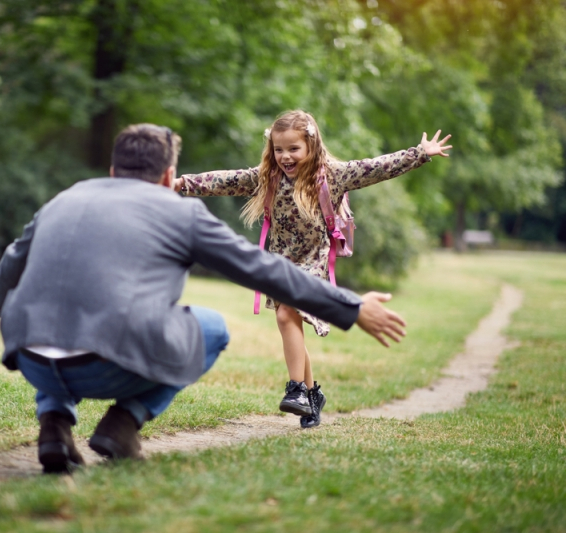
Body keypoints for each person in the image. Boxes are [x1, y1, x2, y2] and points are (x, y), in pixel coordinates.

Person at [0, 123, 408, 474]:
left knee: (64, 309)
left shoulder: (66, 197)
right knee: (212, 328)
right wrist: (350, 306)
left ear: (113, 171)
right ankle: (123, 422)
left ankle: (54, 423)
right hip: (107, 367)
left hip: (29, 357)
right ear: (170, 177)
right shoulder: (181, 212)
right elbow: (264, 270)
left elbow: (15, 254)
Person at [173, 109, 452, 428]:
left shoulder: (332, 175)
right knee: (291, 321)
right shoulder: (268, 176)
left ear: (311, 144)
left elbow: (376, 167)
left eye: (293, 148)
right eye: (279, 149)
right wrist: (182, 183)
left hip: (314, 258)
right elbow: (226, 180)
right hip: (280, 258)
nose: (285, 156)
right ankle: (311, 394)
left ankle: (296, 390)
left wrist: (419, 154)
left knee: (284, 314)